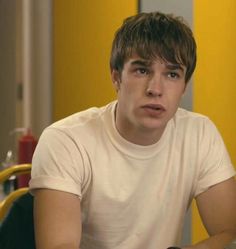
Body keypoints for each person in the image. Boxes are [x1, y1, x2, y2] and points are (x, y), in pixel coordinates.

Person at [29, 11, 236, 249]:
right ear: (116, 77)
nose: (155, 89)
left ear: (184, 86)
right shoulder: (66, 140)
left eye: (172, 74)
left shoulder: (199, 133)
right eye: (142, 70)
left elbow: (229, 233)